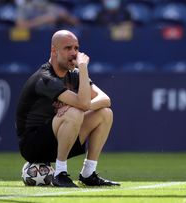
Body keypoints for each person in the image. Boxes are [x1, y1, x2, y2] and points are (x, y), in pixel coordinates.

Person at [15, 30, 120, 187]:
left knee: (105, 113)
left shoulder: (75, 74)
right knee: (74, 112)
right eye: (68, 48)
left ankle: (88, 173)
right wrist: (83, 70)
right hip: (33, 146)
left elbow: (105, 99)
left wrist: (78, 102)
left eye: (76, 48)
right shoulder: (45, 77)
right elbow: (82, 105)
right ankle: (60, 173)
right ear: (54, 51)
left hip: (62, 138)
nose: (74, 53)